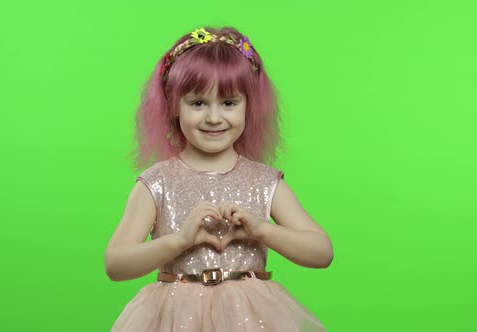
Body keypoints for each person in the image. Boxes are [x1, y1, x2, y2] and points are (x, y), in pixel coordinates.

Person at [105, 26, 333, 331]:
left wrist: (260, 231)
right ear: (173, 105)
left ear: (249, 106)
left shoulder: (264, 182)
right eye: (198, 103)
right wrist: (180, 240)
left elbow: (321, 251)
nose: (214, 117)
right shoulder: (157, 182)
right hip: (174, 319)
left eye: (229, 103)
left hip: (250, 320)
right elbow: (116, 264)